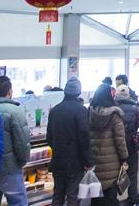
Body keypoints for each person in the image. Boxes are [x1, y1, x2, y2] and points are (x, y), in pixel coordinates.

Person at [47, 78, 93, 206]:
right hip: (75, 162)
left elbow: (49, 137)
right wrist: (88, 161)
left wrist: (58, 148)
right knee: (72, 196)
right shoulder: (81, 110)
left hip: (58, 160)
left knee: (57, 195)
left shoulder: (55, 110)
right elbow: (84, 138)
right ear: (79, 92)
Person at [89, 84, 128, 206]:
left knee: (96, 198)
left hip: (95, 162)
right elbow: (120, 140)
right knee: (110, 196)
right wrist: (124, 158)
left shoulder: (89, 113)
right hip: (112, 163)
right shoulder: (115, 115)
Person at [0, 77, 30, 206]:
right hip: (10, 168)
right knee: (18, 202)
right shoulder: (15, 111)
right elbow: (22, 143)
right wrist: (22, 161)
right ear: (9, 92)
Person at [115, 85, 139, 204]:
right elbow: (136, 125)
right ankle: (133, 199)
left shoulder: (114, 108)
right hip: (131, 143)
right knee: (132, 172)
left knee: (115, 172)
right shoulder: (135, 108)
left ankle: (115, 199)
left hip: (116, 145)